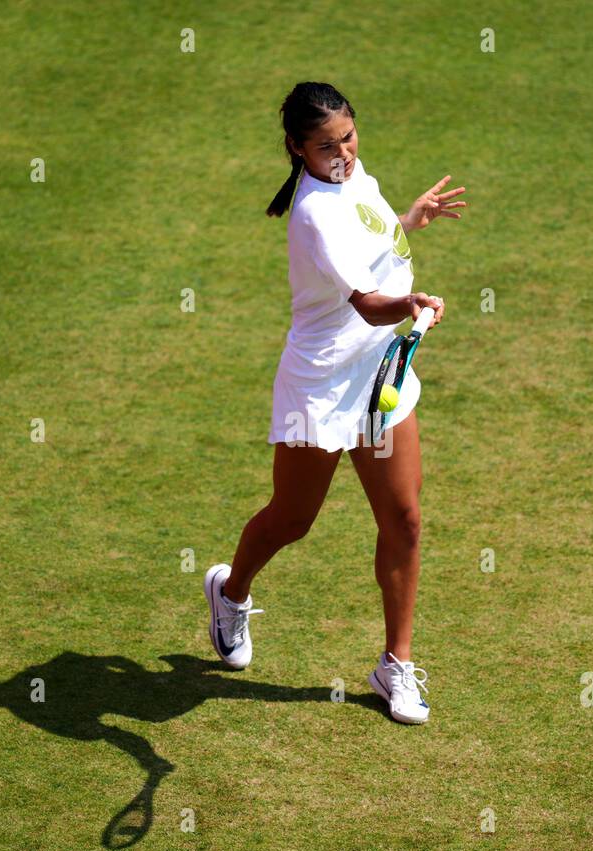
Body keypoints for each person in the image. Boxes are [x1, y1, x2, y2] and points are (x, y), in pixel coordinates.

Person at [204, 81, 466, 724]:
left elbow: (373, 250)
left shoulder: (356, 179)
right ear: (297, 149)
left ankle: (395, 665)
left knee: (403, 519)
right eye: (326, 146)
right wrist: (409, 305)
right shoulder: (314, 212)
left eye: (348, 136)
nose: (343, 153)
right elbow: (366, 303)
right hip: (320, 389)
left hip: (379, 376)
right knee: (292, 519)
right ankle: (230, 592)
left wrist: (408, 221)